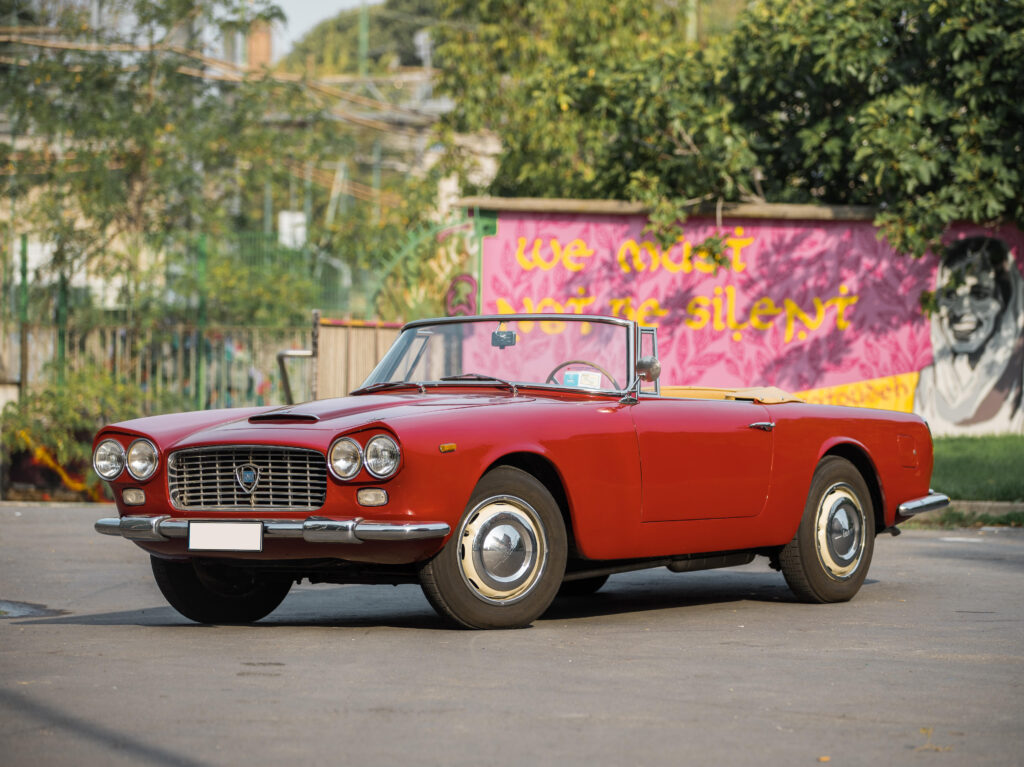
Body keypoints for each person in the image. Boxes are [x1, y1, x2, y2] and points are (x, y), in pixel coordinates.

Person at [914, 236, 1024, 434]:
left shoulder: (1019, 378)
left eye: (980, 294)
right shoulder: (929, 382)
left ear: (1004, 305)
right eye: (950, 295)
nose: (962, 308)